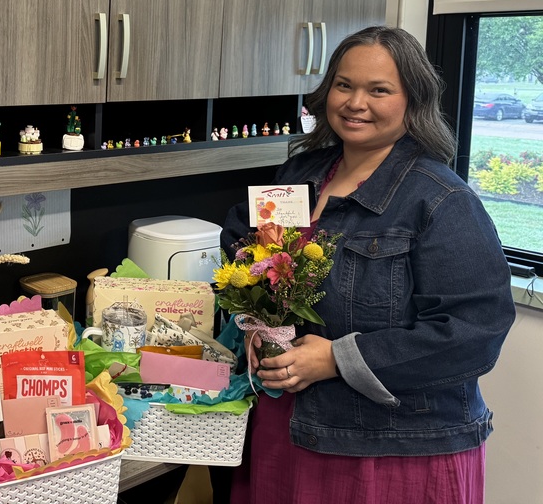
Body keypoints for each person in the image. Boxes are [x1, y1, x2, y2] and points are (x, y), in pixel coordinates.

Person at [220, 26, 515, 504]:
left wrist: (338, 359)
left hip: (389, 449)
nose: (356, 103)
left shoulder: (441, 200)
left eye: (379, 90)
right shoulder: (303, 174)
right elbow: (249, 246)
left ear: (412, 100)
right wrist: (256, 322)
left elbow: (474, 334)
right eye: (344, 85)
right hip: (288, 424)